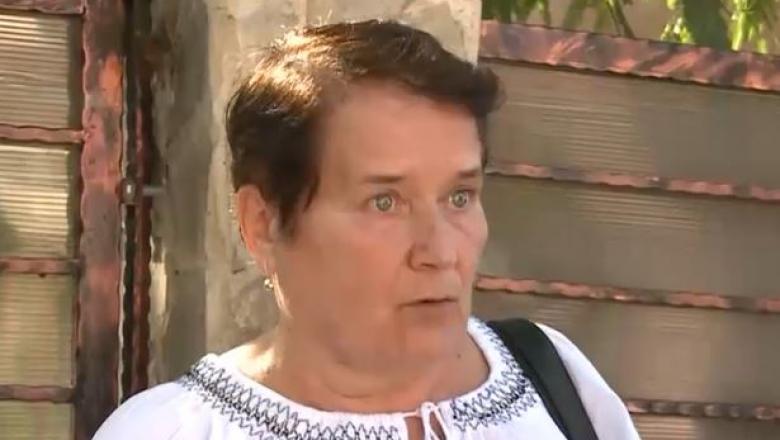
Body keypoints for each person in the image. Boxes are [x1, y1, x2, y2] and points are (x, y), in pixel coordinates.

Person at [94, 20, 640, 440]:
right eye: (385, 202)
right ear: (263, 223)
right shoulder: (168, 432)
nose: (440, 252)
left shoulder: (555, 381)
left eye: (459, 196)